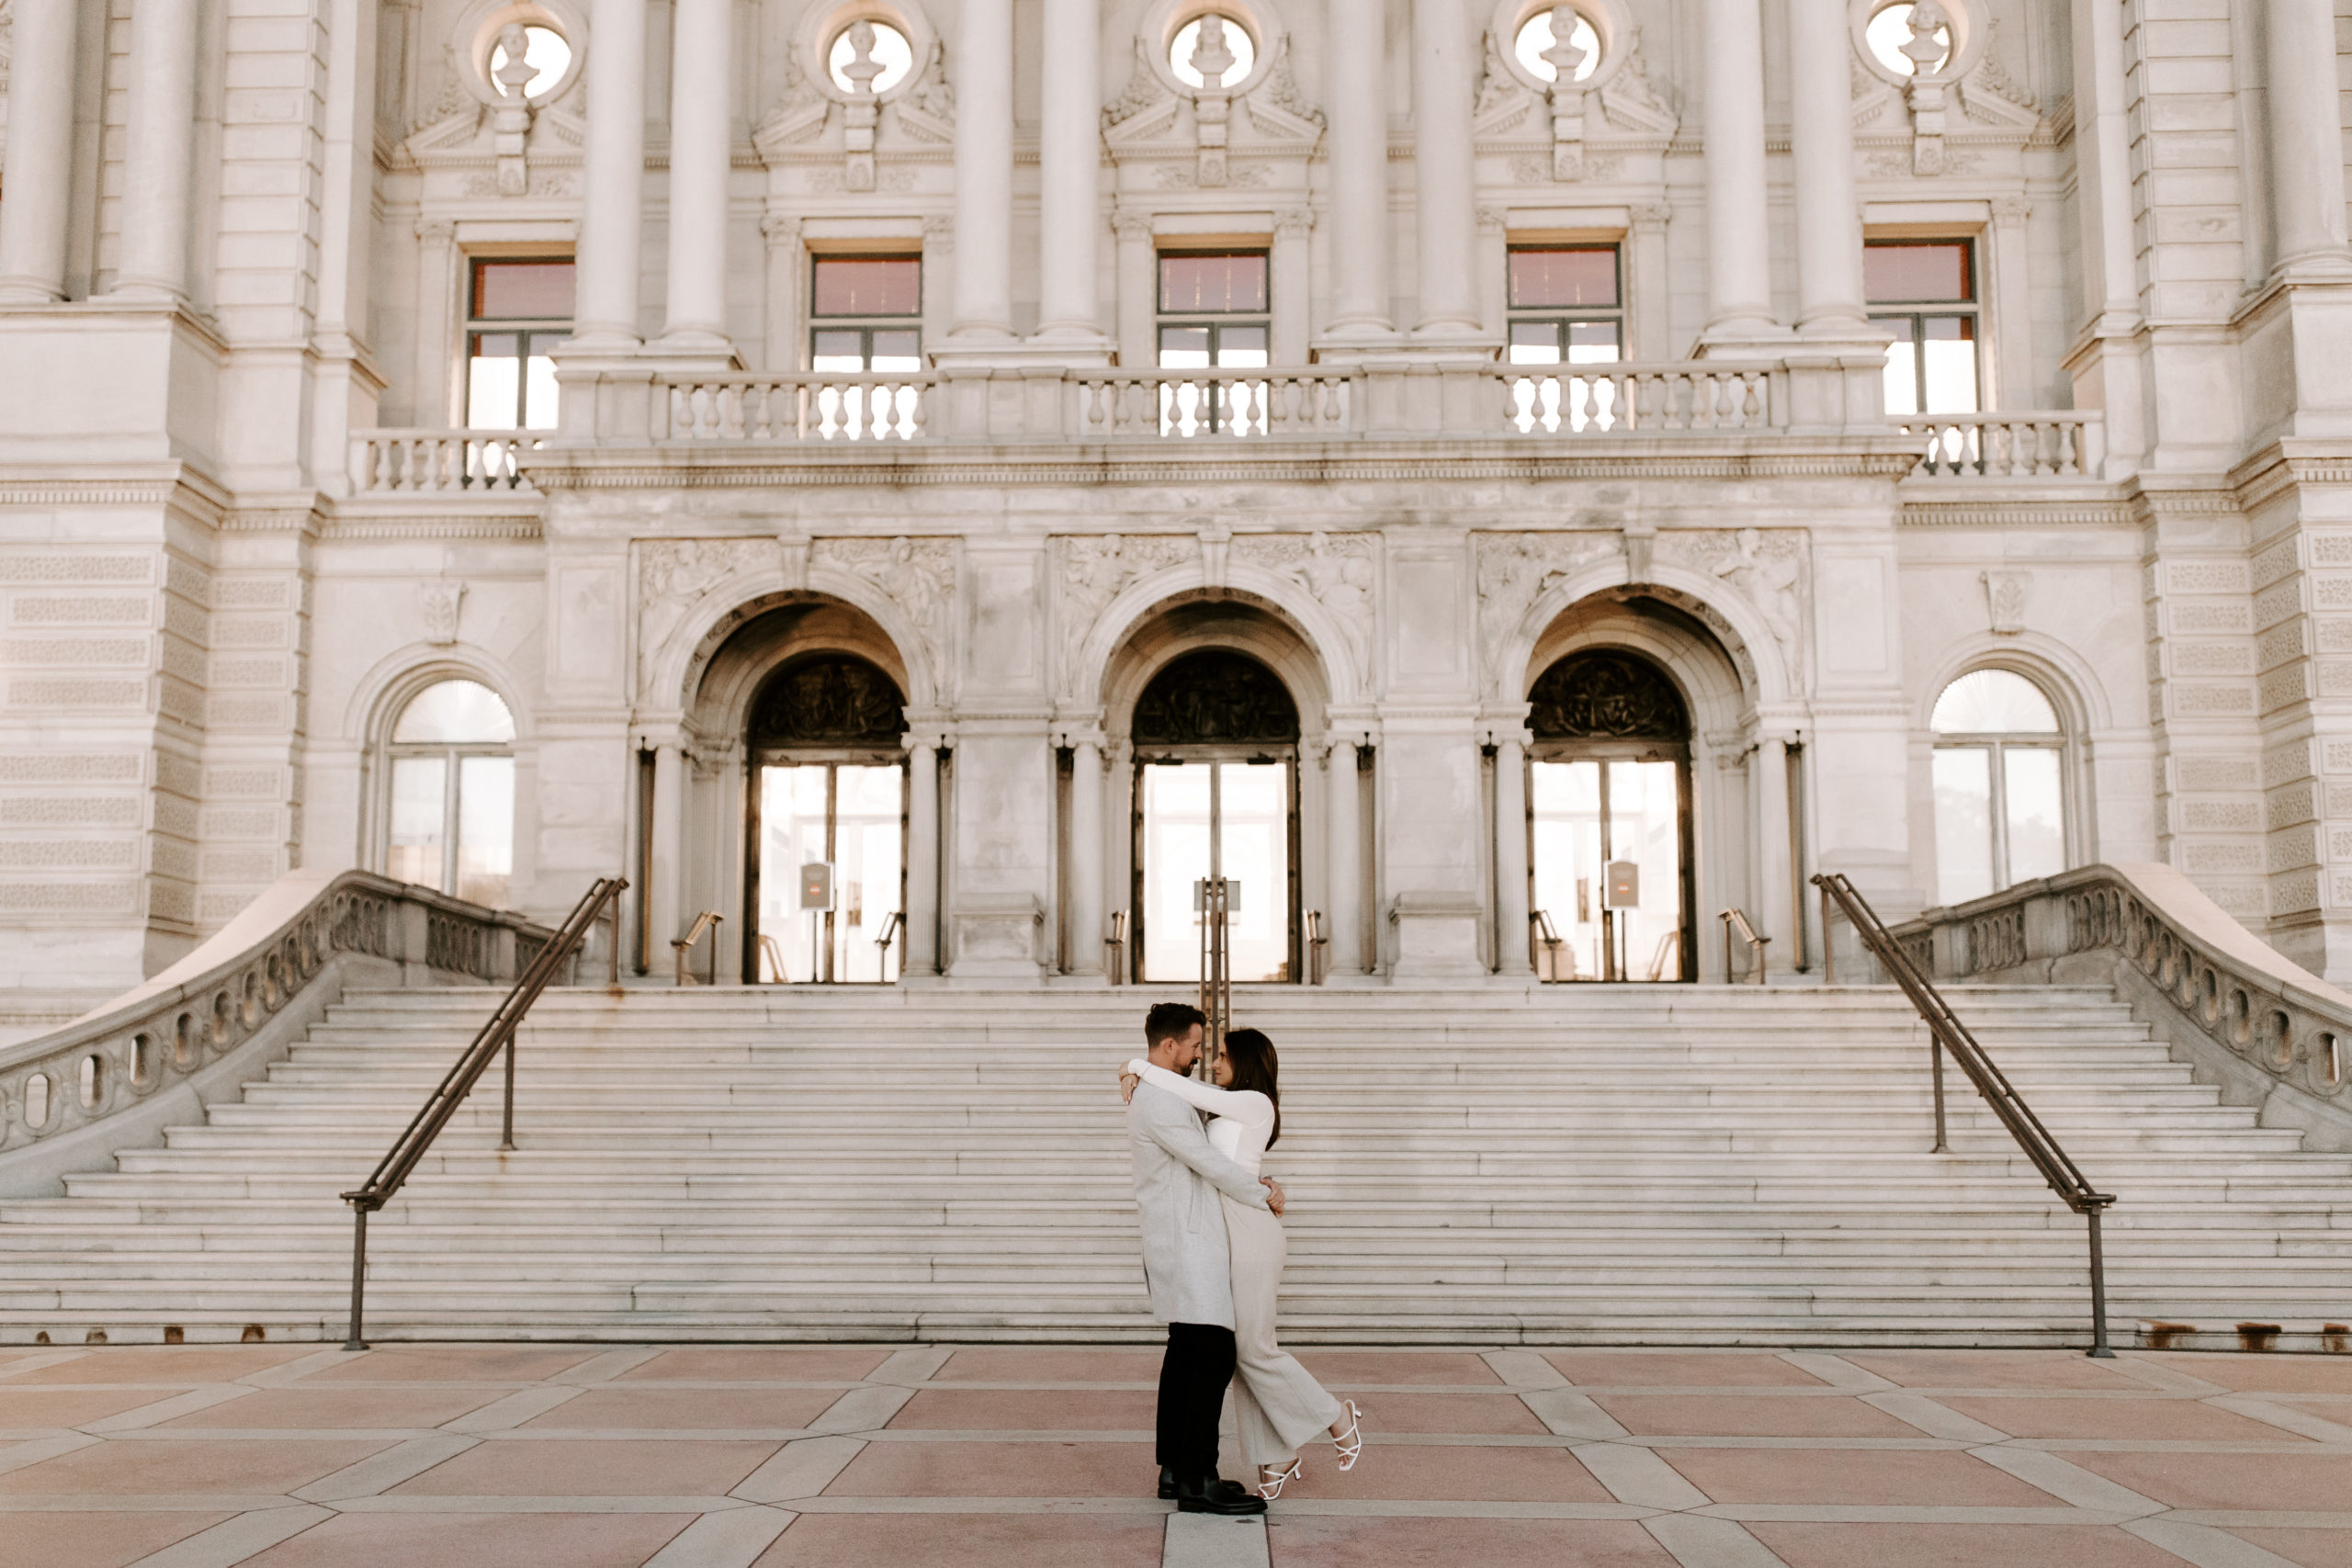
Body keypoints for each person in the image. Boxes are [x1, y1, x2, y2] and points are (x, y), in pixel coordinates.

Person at [1123, 1027, 1365, 1499]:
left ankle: (1336, 1415)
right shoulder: (1227, 1104)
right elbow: (1200, 1120)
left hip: (1250, 1228)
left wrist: (1135, 1067)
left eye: (1221, 1055)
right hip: (1225, 1232)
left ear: (1246, 1060)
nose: (1212, 1062)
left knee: (1254, 1347)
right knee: (1237, 1351)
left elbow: (1189, 1093)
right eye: (1207, 1051)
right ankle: (1275, 1456)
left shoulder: (1256, 1103)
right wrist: (1141, 1073)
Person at [1125, 1001, 1279, 1516]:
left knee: (1187, 1354)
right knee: (1212, 1355)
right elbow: (1209, 1162)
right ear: (1170, 1045)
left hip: (1184, 1237)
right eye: (1194, 1046)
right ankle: (1199, 1479)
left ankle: (1176, 1469)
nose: (1199, 1056)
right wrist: (1263, 1194)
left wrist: (1130, 1067)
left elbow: (1221, 1126)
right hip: (1188, 1242)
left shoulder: (1163, 1092)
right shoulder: (1161, 1101)